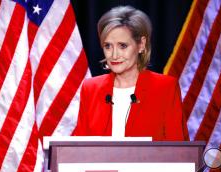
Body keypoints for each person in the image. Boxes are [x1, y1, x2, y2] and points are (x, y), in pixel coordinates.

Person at [72, 6, 189, 141]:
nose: (114, 55)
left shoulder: (165, 88)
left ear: (141, 45)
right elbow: (79, 148)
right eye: (108, 46)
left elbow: (179, 151)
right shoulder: (90, 88)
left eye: (123, 46)